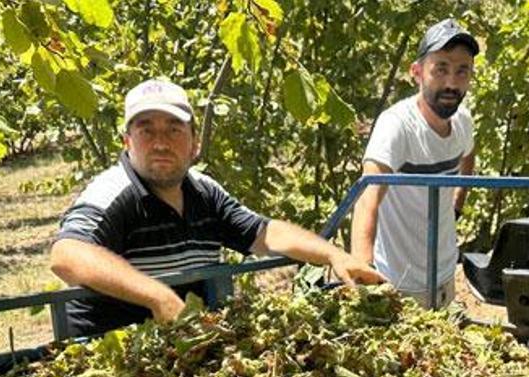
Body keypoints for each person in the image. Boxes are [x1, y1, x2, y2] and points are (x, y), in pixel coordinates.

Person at [51, 79, 384, 336]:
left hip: (186, 343)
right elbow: (67, 256)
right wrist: (159, 297)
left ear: (194, 143)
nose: (160, 143)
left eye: (173, 130)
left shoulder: (203, 191)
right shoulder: (112, 192)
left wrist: (333, 255)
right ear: (127, 142)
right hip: (117, 353)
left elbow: (266, 233)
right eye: (146, 130)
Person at [350, 18, 478, 308]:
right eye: (441, 69)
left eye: (462, 71)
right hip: (399, 282)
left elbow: (468, 156)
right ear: (417, 73)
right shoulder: (397, 126)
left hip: (444, 272)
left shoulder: (462, 121)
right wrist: (363, 271)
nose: (451, 83)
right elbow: (367, 199)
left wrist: (457, 206)